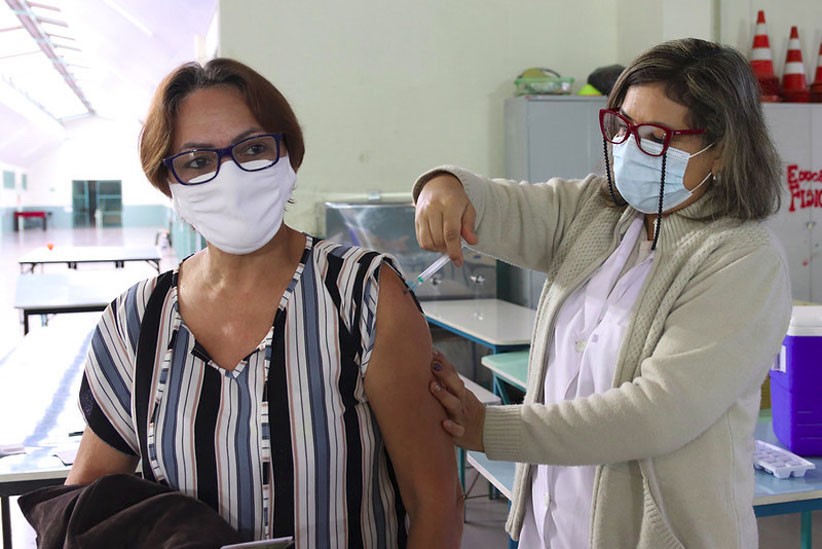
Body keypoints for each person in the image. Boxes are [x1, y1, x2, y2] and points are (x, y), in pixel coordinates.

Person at [65, 58, 463, 548]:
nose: (230, 177)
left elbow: (436, 501)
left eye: (253, 148)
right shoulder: (136, 321)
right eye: (197, 161)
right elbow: (86, 502)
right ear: (167, 182)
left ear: (287, 155)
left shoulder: (362, 294)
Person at [414, 38, 792, 548]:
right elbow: (495, 206)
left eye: (658, 136)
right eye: (623, 127)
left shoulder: (742, 257)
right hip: (551, 525)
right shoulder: (596, 211)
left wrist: (492, 428)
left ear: (721, 148)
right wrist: (442, 186)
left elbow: (657, 412)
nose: (632, 148)